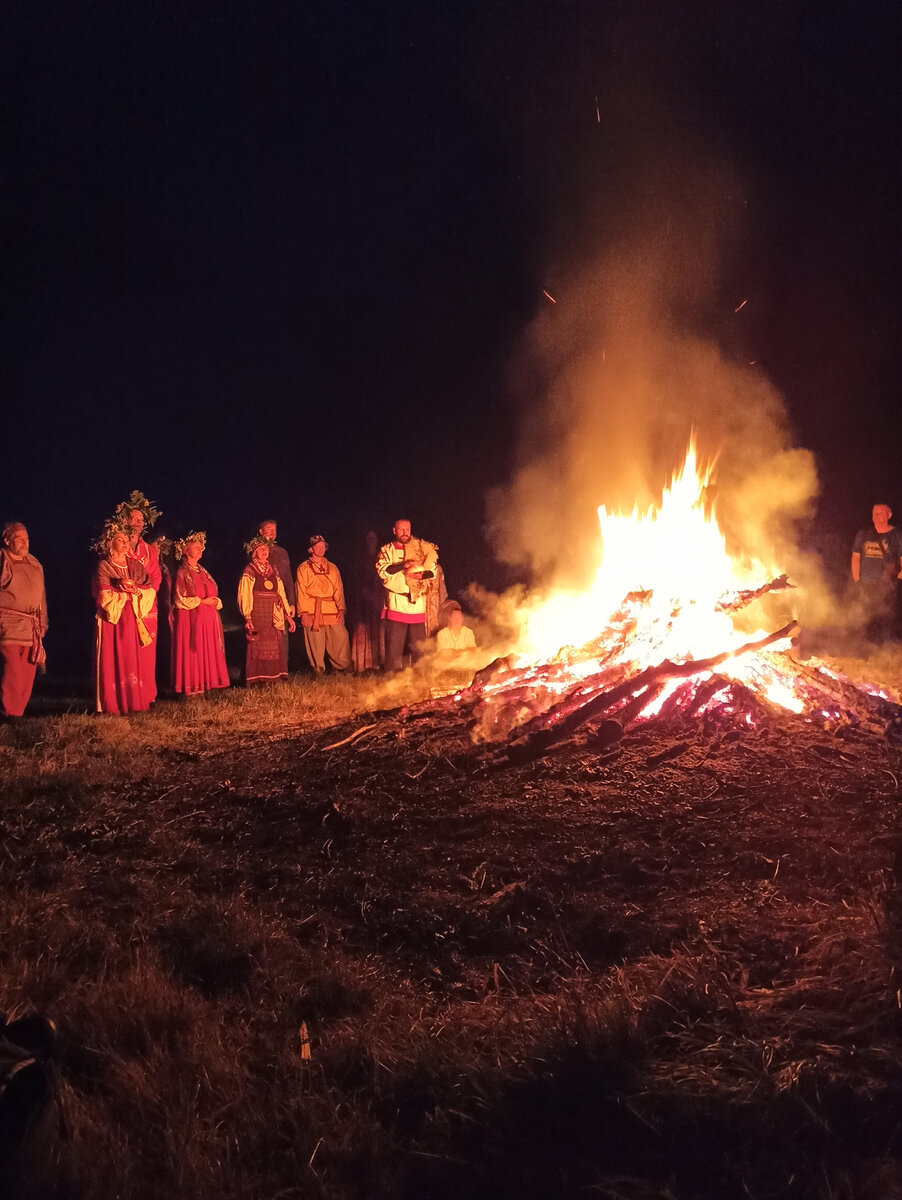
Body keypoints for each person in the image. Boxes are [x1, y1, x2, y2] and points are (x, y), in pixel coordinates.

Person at [93, 523, 156, 714]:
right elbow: (103, 595)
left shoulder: (135, 565)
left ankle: (132, 701)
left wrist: (135, 591)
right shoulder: (104, 565)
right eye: (120, 539)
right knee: (112, 657)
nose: (125, 543)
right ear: (110, 542)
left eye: (126, 540)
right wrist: (122, 592)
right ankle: (113, 703)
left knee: (131, 656)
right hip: (112, 619)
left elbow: (150, 589)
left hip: (131, 617)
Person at [115, 491, 162, 704]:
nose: (138, 523)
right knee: (127, 649)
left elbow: (155, 578)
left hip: (147, 605)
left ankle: (147, 694)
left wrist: (143, 593)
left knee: (146, 650)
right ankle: (129, 694)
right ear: (124, 520)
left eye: (141, 520)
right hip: (126, 605)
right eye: (134, 519)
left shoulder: (150, 551)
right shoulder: (118, 547)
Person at [376, 518, 439, 671]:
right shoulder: (387, 550)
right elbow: (383, 571)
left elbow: (433, 570)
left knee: (418, 645)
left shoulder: (421, 547)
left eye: (407, 529)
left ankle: (420, 675)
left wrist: (420, 576)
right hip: (397, 603)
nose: (405, 533)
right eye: (401, 530)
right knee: (394, 646)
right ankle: (391, 676)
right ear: (394, 531)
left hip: (417, 604)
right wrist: (403, 565)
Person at [171, 532, 230, 696]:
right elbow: (179, 598)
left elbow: (211, 591)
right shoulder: (182, 572)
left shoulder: (203, 571)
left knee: (206, 650)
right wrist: (203, 602)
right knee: (193, 651)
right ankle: (192, 688)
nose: (200, 550)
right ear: (185, 550)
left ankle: (206, 682)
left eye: (201, 547)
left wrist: (214, 602)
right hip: (191, 619)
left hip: (208, 617)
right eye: (195, 548)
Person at [0, 523, 48, 718]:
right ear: (7, 541)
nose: (25, 542)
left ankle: (17, 713)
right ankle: (7, 712)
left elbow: (40, 596)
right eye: (19, 538)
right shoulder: (2, 559)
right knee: (12, 672)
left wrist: (42, 621)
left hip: (30, 626)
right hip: (7, 623)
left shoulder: (34, 564)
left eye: (26, 538)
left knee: (27, 674)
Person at [238, 536, 295, 684]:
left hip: (273, 611)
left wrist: (287, 615)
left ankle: (274, 676)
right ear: (254, 553)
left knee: (274, 643)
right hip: (257, 612)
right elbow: (245, 594)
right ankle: (257, 678)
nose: (264, 552)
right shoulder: (250, 570)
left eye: (266, 549)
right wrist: (248, 616)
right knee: (258, 643)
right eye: (261, 550)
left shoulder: (273, 569)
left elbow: (280, 591)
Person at [295, 535, 352, 674]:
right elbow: (300, 591)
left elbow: (339, 589)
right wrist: (303, 613)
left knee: (340, 637)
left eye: (323, 547)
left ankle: (341, 666)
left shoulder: (333, 568)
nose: (320, 549)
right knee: (315, 641)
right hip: (312, 609)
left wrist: (341, 609)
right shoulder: (303, 568)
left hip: (330, 607)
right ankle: (318, 669)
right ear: (311, 549)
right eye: (317, 546)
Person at [851, 503, 902, 642]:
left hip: (887, 585)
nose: (876, 515)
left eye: (880, 512)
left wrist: (897, 578)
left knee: (886, 620)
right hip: (866, 583)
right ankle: (866, 652)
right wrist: (857, 579)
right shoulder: (863, 534)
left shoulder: (897, 536)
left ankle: (885, 652)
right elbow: (856, 557)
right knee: (865, 619)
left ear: (889, 515)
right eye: (874, 512)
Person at [349, 530, 384, 671]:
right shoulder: (360, 557)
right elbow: (356, 576)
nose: (371, 540)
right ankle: (363, 663)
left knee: (378, 631)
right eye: (369, 538)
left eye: (373, 538)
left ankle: (377, 662)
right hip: (363, 599)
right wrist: (364, 590)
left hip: (378, 597)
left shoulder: (380, 556)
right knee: (364, 630)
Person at [258, 519, 295, 616]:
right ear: (261, 532)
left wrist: (291, 603)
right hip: (262, 601)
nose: (272, 532)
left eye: (274, 530)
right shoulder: (255, 551)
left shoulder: (282, 552)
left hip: (281, 599)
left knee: (282, 630)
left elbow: (288, 579)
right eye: (269, 529)